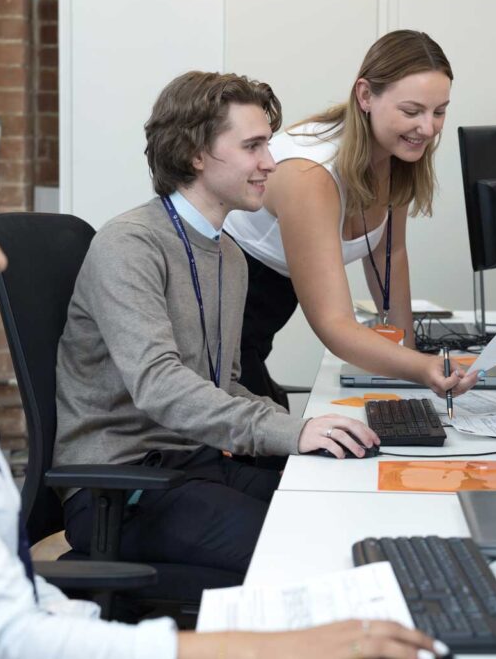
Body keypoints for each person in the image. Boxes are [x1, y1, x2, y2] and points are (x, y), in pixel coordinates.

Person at [0, 118, 447, 659]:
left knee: (320, 529)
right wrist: (264, 645)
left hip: (150, 496)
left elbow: (14, 598)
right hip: (135, 479)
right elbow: (2, 637)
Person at [54, 71, 380, 578]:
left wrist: (308, 428)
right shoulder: (130, 245)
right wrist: (291, 431)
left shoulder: (228, 253)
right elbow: (159, 386)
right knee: (305, 546)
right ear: (195, 154)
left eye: (267, 145)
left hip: (194, 464)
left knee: (337, 510)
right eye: (252, 146)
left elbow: (222, 384)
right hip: (121, 486)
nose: (270, 163)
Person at [223, 30, 479, 408]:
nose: (428, 128)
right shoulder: (311, 175)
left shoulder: (394, 156)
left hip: (262, 314)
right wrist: (422, 368)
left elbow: (390, 253)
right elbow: (334, 324)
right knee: (271, 453)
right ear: (365, 96)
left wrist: (409, 362)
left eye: (439, 111)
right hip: (220, 318)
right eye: (412, 111)